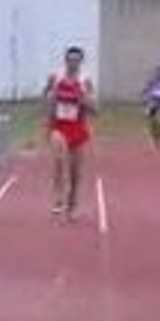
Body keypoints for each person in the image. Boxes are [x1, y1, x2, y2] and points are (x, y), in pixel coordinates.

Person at [44, 46, 95, 220]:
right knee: (59, 159)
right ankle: (58, 199)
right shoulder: (56, 77)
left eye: (76, 60)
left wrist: (82, 99)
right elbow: (46, 98)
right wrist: (51, 96)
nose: (73, 63)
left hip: (77, 128)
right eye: (70, 60)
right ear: (65, 60)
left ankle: (72, 204)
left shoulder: (85, 80)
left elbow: (95, 109)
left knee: (75, 172)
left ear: (81, 61)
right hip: (58, 126)